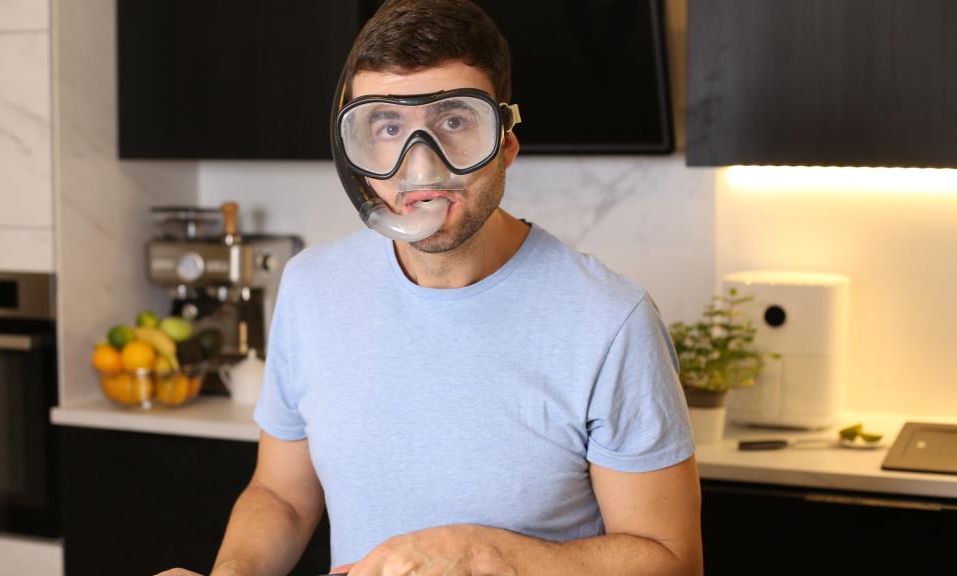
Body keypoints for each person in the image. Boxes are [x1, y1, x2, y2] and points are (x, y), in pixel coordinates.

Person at [162, 1, 701, 574]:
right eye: (388, 128)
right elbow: (282, 496)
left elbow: (672, 561)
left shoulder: (610, 320)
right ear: (357, 156)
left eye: (454, 122)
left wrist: (484, 552)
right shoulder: (311, 287)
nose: (420, 167)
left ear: (506, 143)